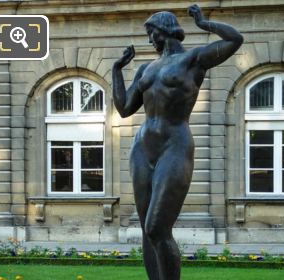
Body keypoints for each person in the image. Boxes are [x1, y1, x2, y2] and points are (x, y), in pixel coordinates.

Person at [112, 4, 243, 280]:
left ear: (165, 29)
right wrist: (116, 69)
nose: (150, 39)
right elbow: (124, 108)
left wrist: (204, 23)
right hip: (142, 147)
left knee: (157, 227)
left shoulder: (194, 60)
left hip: (175, 145)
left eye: (153, 33)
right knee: (148, 232)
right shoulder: (146, 68)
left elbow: (234, 40)